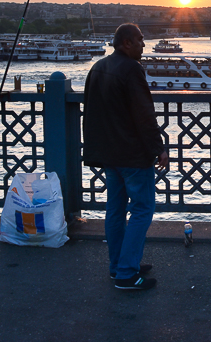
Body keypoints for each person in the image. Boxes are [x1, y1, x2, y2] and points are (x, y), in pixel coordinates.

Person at [83, 24, 168, 291]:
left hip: (109, 153)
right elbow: (144, 114)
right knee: (142, 209)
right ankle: (127, 273)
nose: (144, 44)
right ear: (127, 42)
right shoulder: (132, 69)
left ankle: (118, 265)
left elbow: (92, 112)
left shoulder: (98, 67)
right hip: (131, 154)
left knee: (116, 211)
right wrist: (159, 148)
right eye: (141, 40)